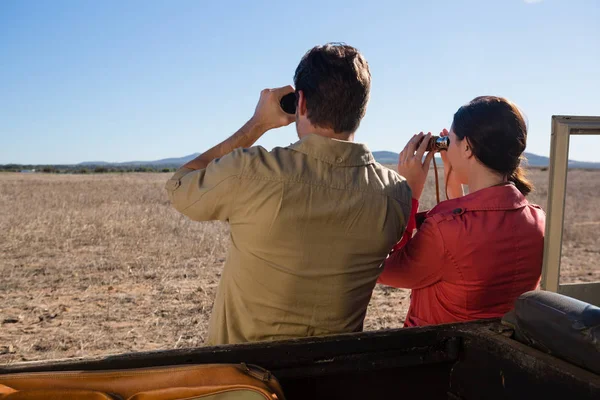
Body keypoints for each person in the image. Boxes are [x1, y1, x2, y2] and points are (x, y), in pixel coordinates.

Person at [165, 43, 412, 345]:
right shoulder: (395, 195)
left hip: (245, 384)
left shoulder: (252, 171)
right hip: (333, 380)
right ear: (361, 108)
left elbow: (180, 187)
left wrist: (257, 124)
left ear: (301, 102)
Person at [379, 96, 545, 327]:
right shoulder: (538, 219)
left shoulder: (444, 230)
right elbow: (472, 235)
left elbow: (384, 267)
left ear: (467, 147)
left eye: (451, 140)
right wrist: (453, 174)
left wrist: (409, 193)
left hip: (442, 353)